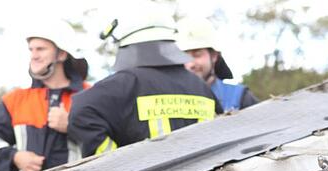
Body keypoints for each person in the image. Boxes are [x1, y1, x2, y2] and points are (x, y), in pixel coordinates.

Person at [67, 12, 221, 157]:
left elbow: (81, 110)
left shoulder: (122, 85)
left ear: (123, 41)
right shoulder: (200, 87)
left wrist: (116, 163)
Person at [0, 22, 88, 171]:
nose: (34, 55)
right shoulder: (15, 100)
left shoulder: (89, 96)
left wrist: (73, 125)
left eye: (41, 49)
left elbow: (114, 147)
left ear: (62, 54)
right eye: (31, 49)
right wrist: (15, 157)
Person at [177, 18, 258, 112]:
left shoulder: (239, 97)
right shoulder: (169, 97)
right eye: (183, 55)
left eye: (197, 54)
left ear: (214, 56)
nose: (190, 64)